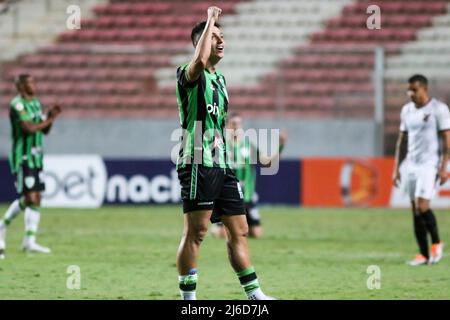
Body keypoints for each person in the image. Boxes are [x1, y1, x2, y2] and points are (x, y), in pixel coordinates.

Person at [175, 7, 274, 300]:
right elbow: (198, 62)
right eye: (214, 36)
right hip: (197, 162)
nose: (221, 40)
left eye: (222, 36)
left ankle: (255, 295)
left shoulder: (221, 81)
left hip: (222, 164)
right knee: (198, 232)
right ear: (200, 43)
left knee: (240, 229)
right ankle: (188, 300)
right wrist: (210, 21)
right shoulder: (188, 73)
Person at [0, 74, 62, 259]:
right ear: (20, 85)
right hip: (23, 156)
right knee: (29, 196)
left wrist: (51, 117)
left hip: (36, 156)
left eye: (35, 81)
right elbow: (28, 128)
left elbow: (44, 130)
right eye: (30, 82)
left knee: (36, 199)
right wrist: (48, 120)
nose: (34, 85)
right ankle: (2, 226)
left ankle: (29, 241)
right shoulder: (17, 104)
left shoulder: (35, 103)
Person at [392, 74, 448, 266]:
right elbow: (402, 140)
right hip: (411, 165)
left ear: (424, 88)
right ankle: (423, 254)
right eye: (409, 90)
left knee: (422, 205)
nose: (411, 93)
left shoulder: (438, 110)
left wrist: (443, 167)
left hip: (429, 164)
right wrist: (396, 168)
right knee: (415, 210)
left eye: (414, 90)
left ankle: (438, 243)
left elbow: (447, 141)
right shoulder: (406, 110)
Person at [211, 113, 287, 239]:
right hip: (226, 195)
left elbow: (267, 163)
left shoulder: (249, 145)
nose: (236, 127)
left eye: (239, 124)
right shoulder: (221, 146)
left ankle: (231, 225)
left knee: (256, 234)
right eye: (233, 124)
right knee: (224, 234)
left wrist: (280, 146)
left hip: (247, 196)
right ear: (228, 126)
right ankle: (217, 228)